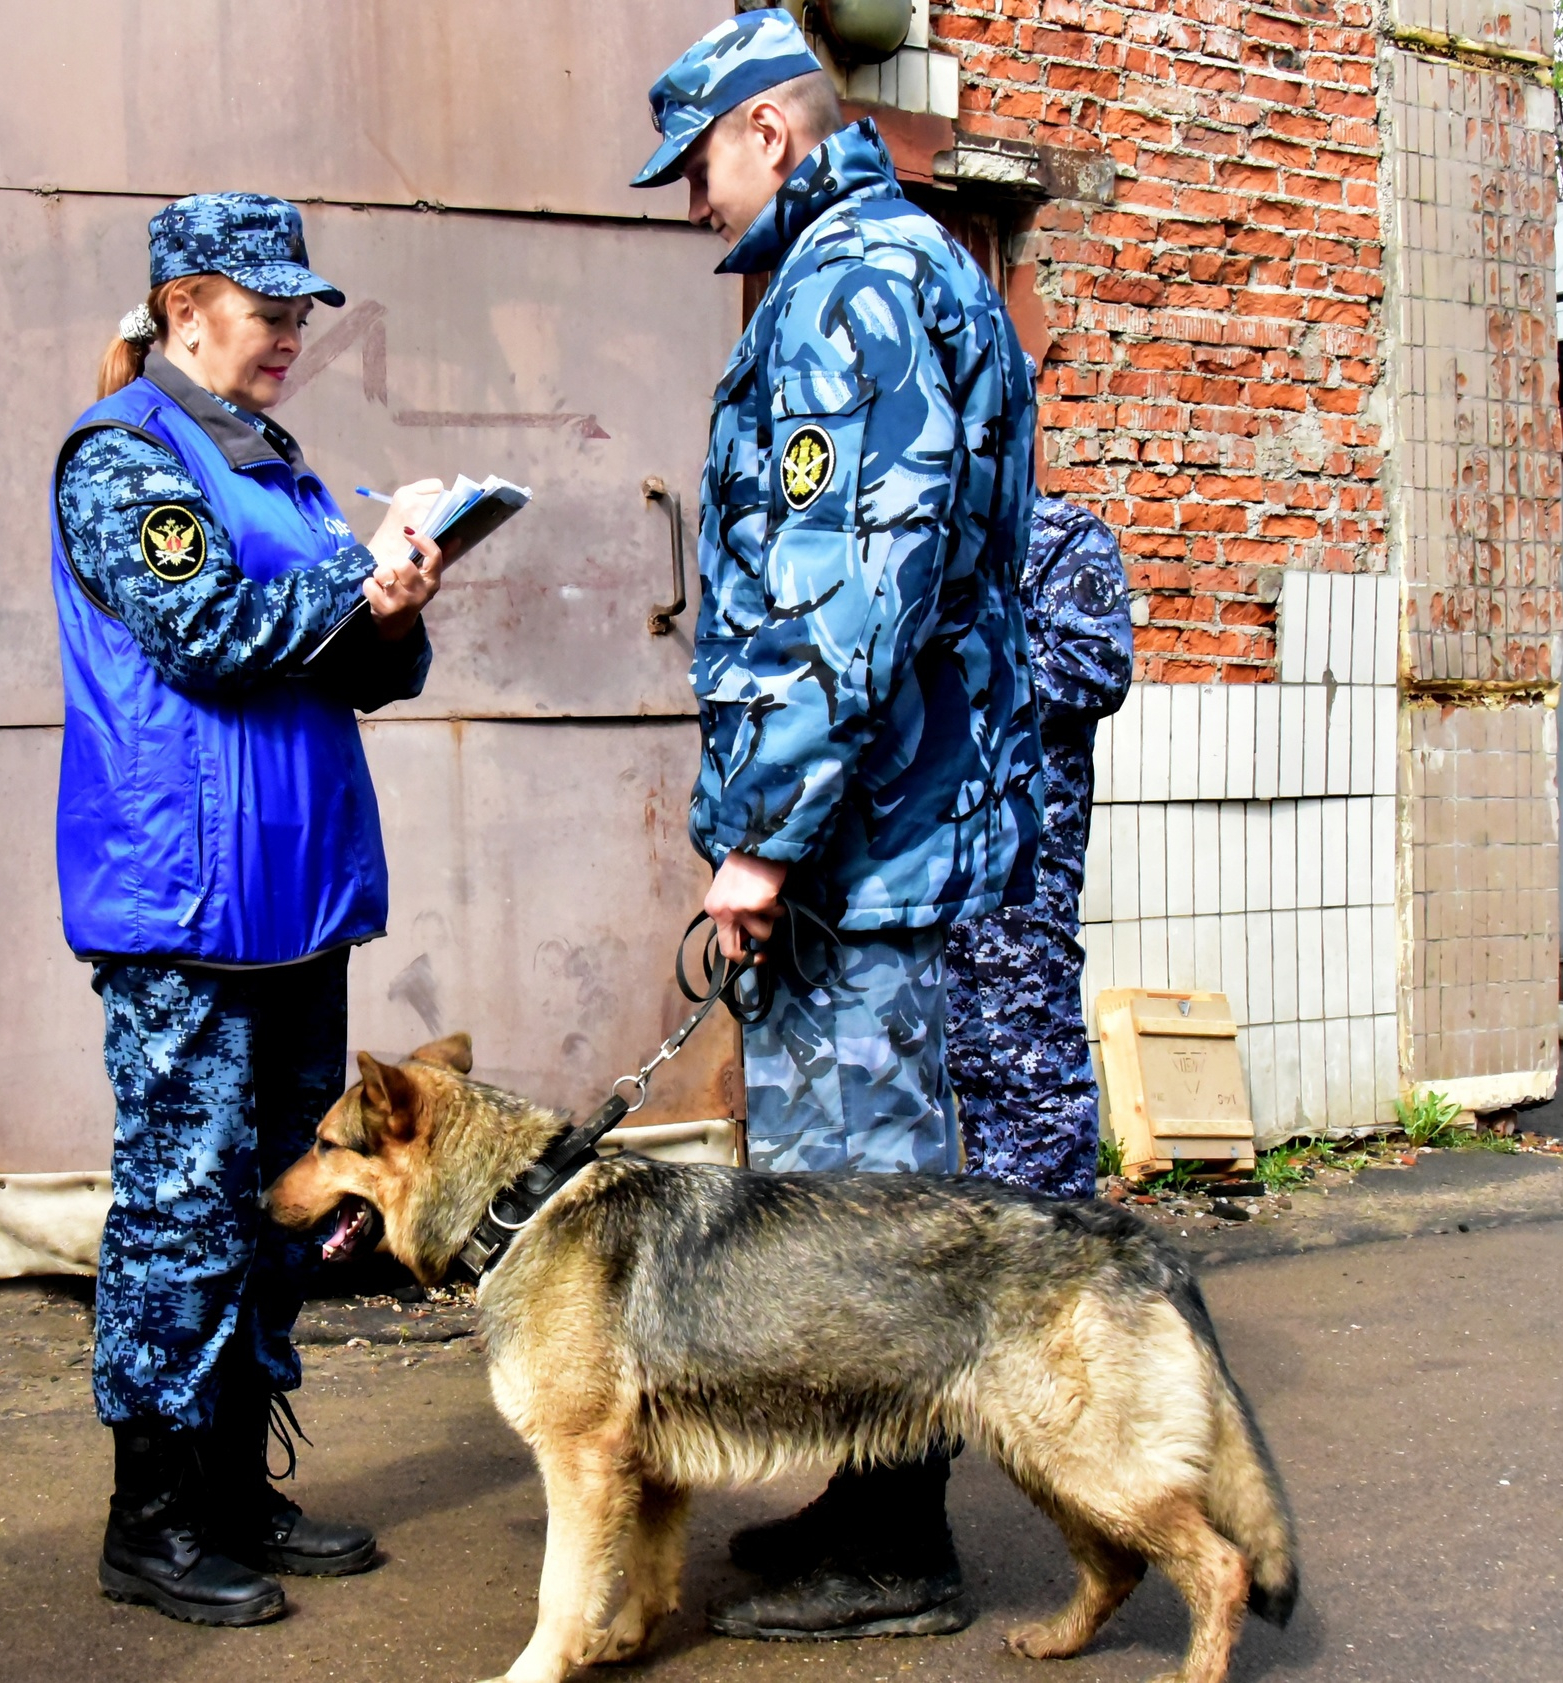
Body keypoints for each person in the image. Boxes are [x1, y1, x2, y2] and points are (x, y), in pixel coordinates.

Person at [630, 8, 1045, 1643]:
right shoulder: (900, 264)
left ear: (772, 138)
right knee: (848, 1181)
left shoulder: (846, 291)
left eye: (698, 170)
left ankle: (897, 1542)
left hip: (857, 840)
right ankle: (866, 1499)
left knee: (859, 1198)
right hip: (879, 820)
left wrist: (765, 839)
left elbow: (847, 597)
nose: (689, 206)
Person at [49, 191, 456, 1628]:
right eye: (266, 309)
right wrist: (363, 574)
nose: (290, 334)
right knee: (180, 1205)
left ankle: (233, 1486)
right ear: (183, 311)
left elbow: (357, 673)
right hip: (183, 902)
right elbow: (209, 631)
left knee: (278, 1205)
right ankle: (152, 1516)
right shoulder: (124, 459)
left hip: (293, 895)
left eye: (300, 312)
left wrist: (396, 610)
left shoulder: (274, 465)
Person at [947, 497, 1134, 1196]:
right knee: (958, 1068)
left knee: (1032, 1071)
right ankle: (984, 1273)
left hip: (1024, 865)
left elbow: (1095, 666)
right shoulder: (927, 537)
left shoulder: (1058, 535)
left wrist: (959, 688)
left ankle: (1062, 1264)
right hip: (933, 863)